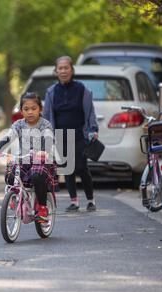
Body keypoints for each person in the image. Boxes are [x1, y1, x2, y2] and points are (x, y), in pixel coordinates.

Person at [0, 92, 57, 223]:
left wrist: (44, 151)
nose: (30, 112)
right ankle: (14, 197)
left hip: (43, 160)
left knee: (37, 175)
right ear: (21, 111)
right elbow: (8, 137)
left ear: (40, 109)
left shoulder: (45, 124)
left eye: (34, 108)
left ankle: (42, 207)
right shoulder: (19, 125)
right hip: (25, 158)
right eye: (26, 109)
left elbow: (48, 138)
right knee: (11, 173)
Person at [43, 56, 99, 212]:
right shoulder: (51, 92)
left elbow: (90, 112)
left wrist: (93, 129)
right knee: (67, 169)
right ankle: (74, 201)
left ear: (71, 70)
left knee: (82, 168)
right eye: (60, 68)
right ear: (56, 71)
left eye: (66, 68)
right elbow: (47, 115)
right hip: (60, 136)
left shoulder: (82, 89)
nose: (63, 71)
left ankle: (90, 200)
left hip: (79, 134)